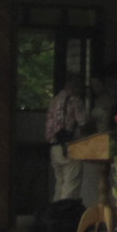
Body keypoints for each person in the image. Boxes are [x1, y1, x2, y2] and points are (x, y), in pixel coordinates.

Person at [45, 72, 89, 202]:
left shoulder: (54, 100)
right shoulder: (75, 100)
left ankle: (54, 217)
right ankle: (64, 218)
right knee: (70, 187)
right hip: (70, 148)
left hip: (54, 148)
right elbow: (83, 122)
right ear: (75, 85)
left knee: (59, 186)